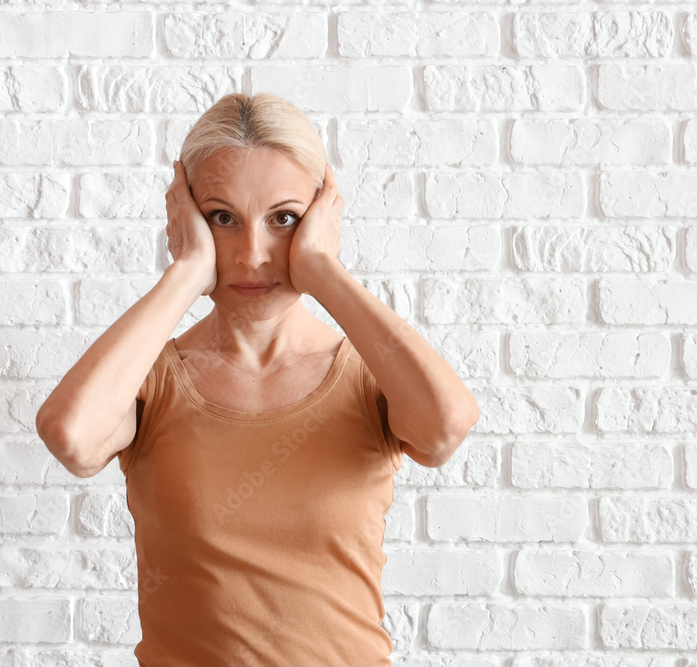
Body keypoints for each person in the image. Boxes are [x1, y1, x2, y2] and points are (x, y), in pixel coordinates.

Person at [35, 92, 480, 666]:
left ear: (321, 219)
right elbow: (71, 437)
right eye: (223, 218)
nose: (252, 254)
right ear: (186, 219)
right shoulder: (154, 383)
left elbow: (445, 428)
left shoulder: (369, 375)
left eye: (284, 220)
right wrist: (187, 272)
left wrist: (322, 269)